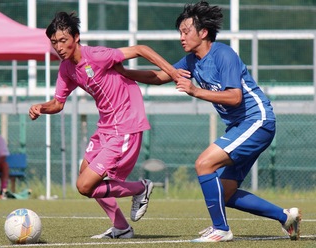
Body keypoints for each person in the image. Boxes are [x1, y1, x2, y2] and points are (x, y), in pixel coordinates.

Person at [115, 1, 301, 242]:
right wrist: (124, 72)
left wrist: (195, 91)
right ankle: (285, 217)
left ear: (203, 33)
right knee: (223, 193)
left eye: (186, 31)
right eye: (180, 32)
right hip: (241, 126)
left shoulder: (223, 54)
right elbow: (162, 76)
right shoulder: (192, 61)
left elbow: (235, 97)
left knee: (204, 163)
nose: (181, 37)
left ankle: (221, 229)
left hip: (257, 120)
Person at [28, 12, 180, 239]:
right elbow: (58, 104)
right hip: (106, 128)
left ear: (76, 37)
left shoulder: (97, 55)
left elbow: (140, 49)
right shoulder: (66, 69)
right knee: (85, 176)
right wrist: (41, 107)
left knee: (85, 186)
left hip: (125, 126)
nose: (58, 47)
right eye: (54, 43)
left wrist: (174, 72)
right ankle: (121, 227)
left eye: (62, 41)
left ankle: (141, 187)